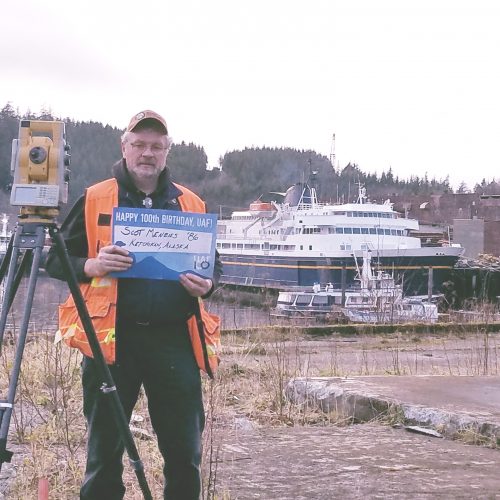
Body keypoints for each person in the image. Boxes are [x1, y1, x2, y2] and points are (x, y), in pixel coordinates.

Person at [46, 110, 222, 500]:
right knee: (103, 455)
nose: (147, 153)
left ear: (167, 151)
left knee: (184, 454)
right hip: (111, 344)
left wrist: (207, 285)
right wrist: (91, 265)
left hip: (174, 342)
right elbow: (55, 259)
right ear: (124, 147)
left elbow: (215, 266)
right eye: (139, 144)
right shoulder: (95, 197)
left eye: (156, 146)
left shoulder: (191, 203)